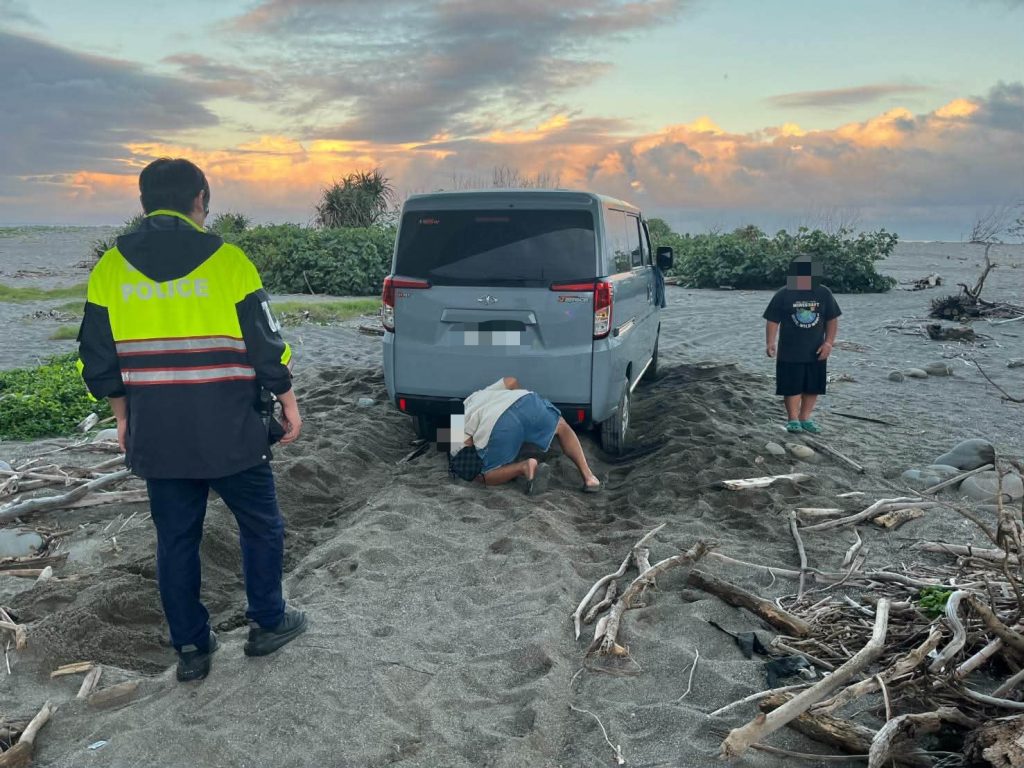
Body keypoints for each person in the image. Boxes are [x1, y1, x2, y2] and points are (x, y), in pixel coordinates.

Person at [77, 158, 307, 682]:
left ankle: (191, 649)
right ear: (201, 197)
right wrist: (289, 403)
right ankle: (269, 622)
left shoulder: (109, 268)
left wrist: (122, 418)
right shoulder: (229, 261)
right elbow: (266, 344)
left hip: (159, 433)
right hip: (232, 429)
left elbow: (98, 358)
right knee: (262, 527)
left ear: (143, 202)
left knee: (176, 540)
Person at [452, 377, 601, 493]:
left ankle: (525, 466)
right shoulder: (480, 394)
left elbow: (467, 450)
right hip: (525, 401)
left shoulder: (456, 420)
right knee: (562, 426)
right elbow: (511, 380)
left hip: (499, 425)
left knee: (483, 475)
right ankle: (589, 477)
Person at [763, 255, 841, 433]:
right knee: (791, 385)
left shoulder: (824, 293)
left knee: (813, 386)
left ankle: (805, 417)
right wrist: (770, 342)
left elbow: (832, 319)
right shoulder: (784, 293)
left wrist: (829, 343)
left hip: (816, 350)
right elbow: (772, 320)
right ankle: (793, 418)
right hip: (789, 351)